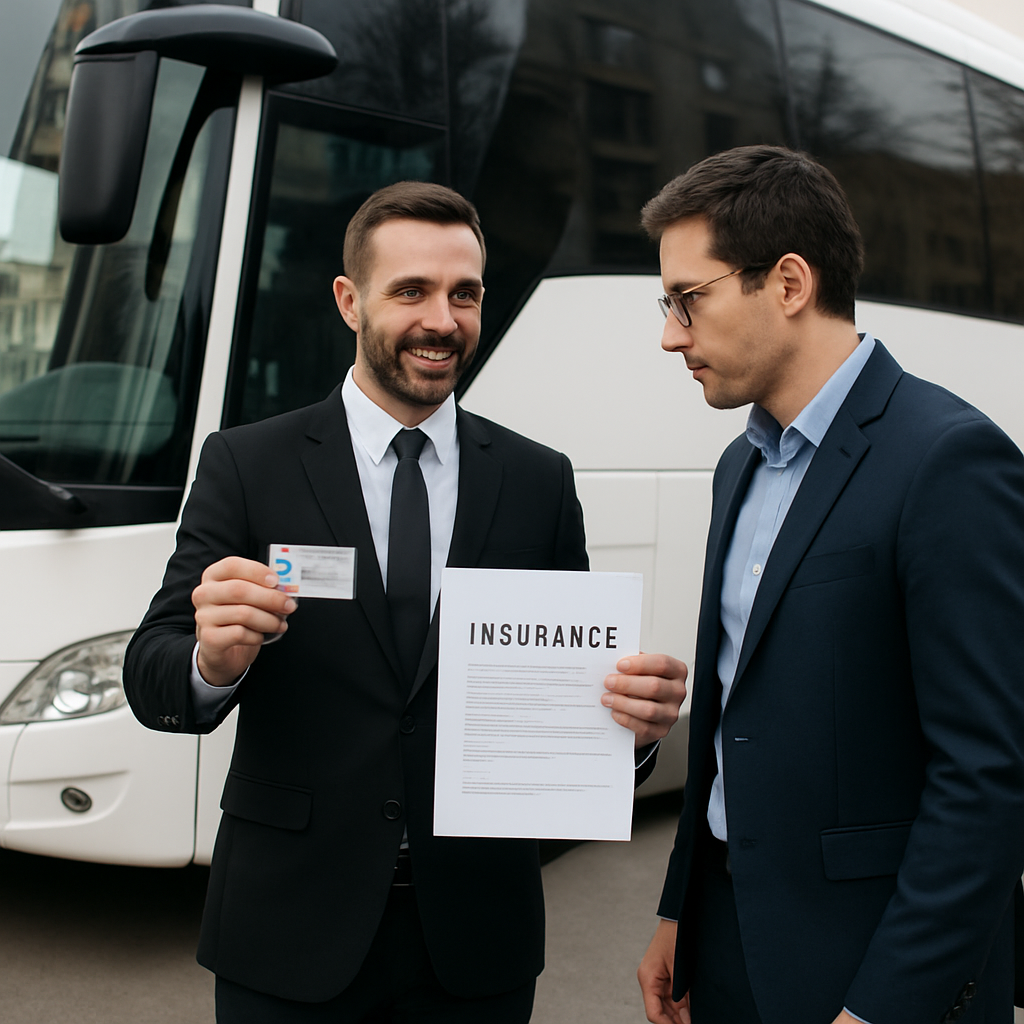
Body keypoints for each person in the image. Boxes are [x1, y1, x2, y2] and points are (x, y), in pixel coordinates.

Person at [122, 181, 687, 1024]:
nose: (443, 319)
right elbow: (151, 676)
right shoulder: (249, 464)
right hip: (287, 930)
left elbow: (573, 695)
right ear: (351, 301)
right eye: (412, 291)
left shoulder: (537, 480)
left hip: (473, 939)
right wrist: (212, 660)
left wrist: (631, 734)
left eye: (465, 294)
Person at [634, 146, 1024, 1024]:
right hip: (729, 946)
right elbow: (736, 722)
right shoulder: (738, 466)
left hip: (869, 969)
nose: (670, 334)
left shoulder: (949, 459)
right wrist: (679, 909)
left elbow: (988, 778)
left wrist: (886, 1007)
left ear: (790, 283)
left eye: (688, 299)